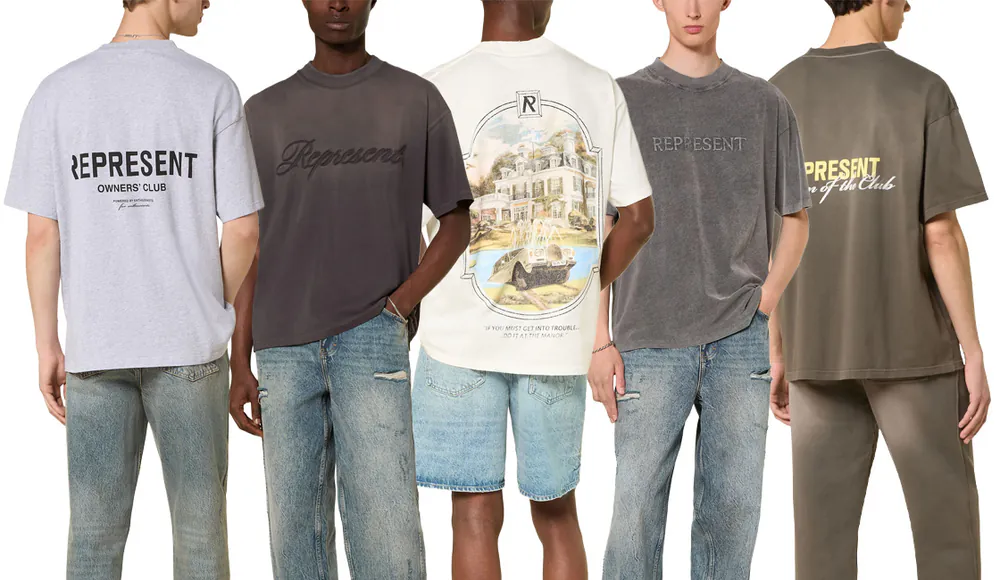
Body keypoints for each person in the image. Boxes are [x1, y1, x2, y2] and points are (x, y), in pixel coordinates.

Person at [4, 1, 262, 578]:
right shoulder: (212, 89)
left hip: (97, 348)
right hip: (190, 349)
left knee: (93, 541)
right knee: (200, 538)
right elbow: (244, 230)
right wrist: (204, 299)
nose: (208, 2)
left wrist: (47, 345)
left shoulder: (56, 92)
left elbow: (41, 236)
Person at [226, 1, 473, 578]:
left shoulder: (415, 99)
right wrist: (239, 359)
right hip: (282, 349)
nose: (337, 2)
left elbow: (457, 221)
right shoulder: (262, 113)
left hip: (373, 338)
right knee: (296, 546)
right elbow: (250, 245)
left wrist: (399, 306)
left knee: (387, 542)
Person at [411, 1, 655, 578]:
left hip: (456, 342)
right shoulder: (596, 85)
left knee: (473, 513)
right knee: (557, 512)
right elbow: (640, 219)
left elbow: (403, 221)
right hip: (555, 341)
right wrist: (583, 285)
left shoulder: (434, 89)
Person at [768, 1, 989, 579]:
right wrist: (973, 351)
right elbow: (940, 234)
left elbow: (768, 241)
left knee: (821, 550)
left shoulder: (776, 95)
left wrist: (777, 349)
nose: (909, 6)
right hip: (914, 351)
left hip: (815, 351)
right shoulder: (922, 91)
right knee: (947, 540)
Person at [595, 1, 812, 578]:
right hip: (646, 339)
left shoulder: (765, 102)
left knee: (731, 520)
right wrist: (598, 339)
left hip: (740, 341)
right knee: (634, 518)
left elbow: (796, 217)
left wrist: (766, 302)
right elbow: (598, 227)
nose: (692, 8)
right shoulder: (622, 99)